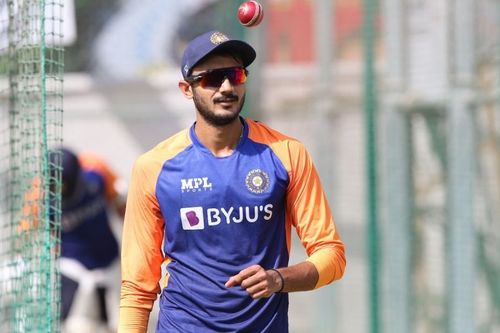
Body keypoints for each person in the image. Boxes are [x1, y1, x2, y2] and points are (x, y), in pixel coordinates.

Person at [118, 30, 346, 333]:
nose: (227, 87)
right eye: (212, 78)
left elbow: (332, 255)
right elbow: (137, 285)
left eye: (236, 75)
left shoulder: (287, 154)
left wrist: (278, 279)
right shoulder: (154, 167)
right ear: (187, 89)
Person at [55, 148, 126, 333]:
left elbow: (122, 206)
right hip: (72, 267)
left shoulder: (96, 172)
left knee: (118, 324)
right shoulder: (40, 196)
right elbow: (31, 232)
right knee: (71, 325)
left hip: (107, 261)